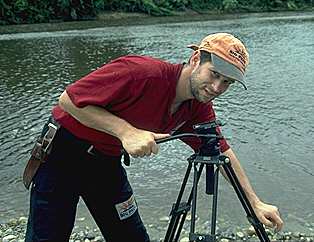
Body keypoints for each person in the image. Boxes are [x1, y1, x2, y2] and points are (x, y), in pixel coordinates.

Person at [24, 32, 284, 242]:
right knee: (48, 236)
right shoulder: (141, 72)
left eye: (227, 83)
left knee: (131, 236)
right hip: (62, 155)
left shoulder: (199, 107)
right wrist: (127, 132)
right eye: (214, 74)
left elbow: (220, 149)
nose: (217, 88)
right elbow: (68, 100)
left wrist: (255, 202)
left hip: (105, 162)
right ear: (196, 59)